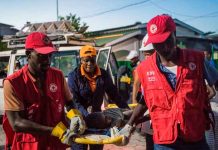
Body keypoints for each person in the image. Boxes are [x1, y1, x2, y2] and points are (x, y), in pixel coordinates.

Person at [118, 14, 218, 150]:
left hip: (194, 138)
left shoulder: (197, 60)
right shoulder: (144, 69)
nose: (164, 47)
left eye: (167, 40)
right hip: (165, 141)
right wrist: (129, 125)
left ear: (174, 34)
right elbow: (145, 101)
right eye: (157, 43)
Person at [3, 32, 85, 150]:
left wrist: (75, 115)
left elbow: (69, 102)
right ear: (28, 54)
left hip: (56, 143)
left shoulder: (58, 75)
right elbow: (16, 122)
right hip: (30, 144)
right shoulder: (13, 83)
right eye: (42, 56)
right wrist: (54, 131)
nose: (47, 60)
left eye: (50, 55)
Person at [67, 45, 130, 150]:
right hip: (79, 121)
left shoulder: (103, 74)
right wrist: (86, 117)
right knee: (79, 147)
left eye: (92, 60)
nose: (89, 64)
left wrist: (127, 110)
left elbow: (114, 94)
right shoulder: (73, 76)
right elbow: (74, 101)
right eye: (86, 60)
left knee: (97, 148)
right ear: (81, 60)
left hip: (97, 122)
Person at [131, 33, 155, 150]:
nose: (147, 58)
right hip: (147, 111)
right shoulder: (143, 68)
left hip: (161, 120)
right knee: (150, 140)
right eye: (145, 55)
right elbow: (137, 85)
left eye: (149, 54)